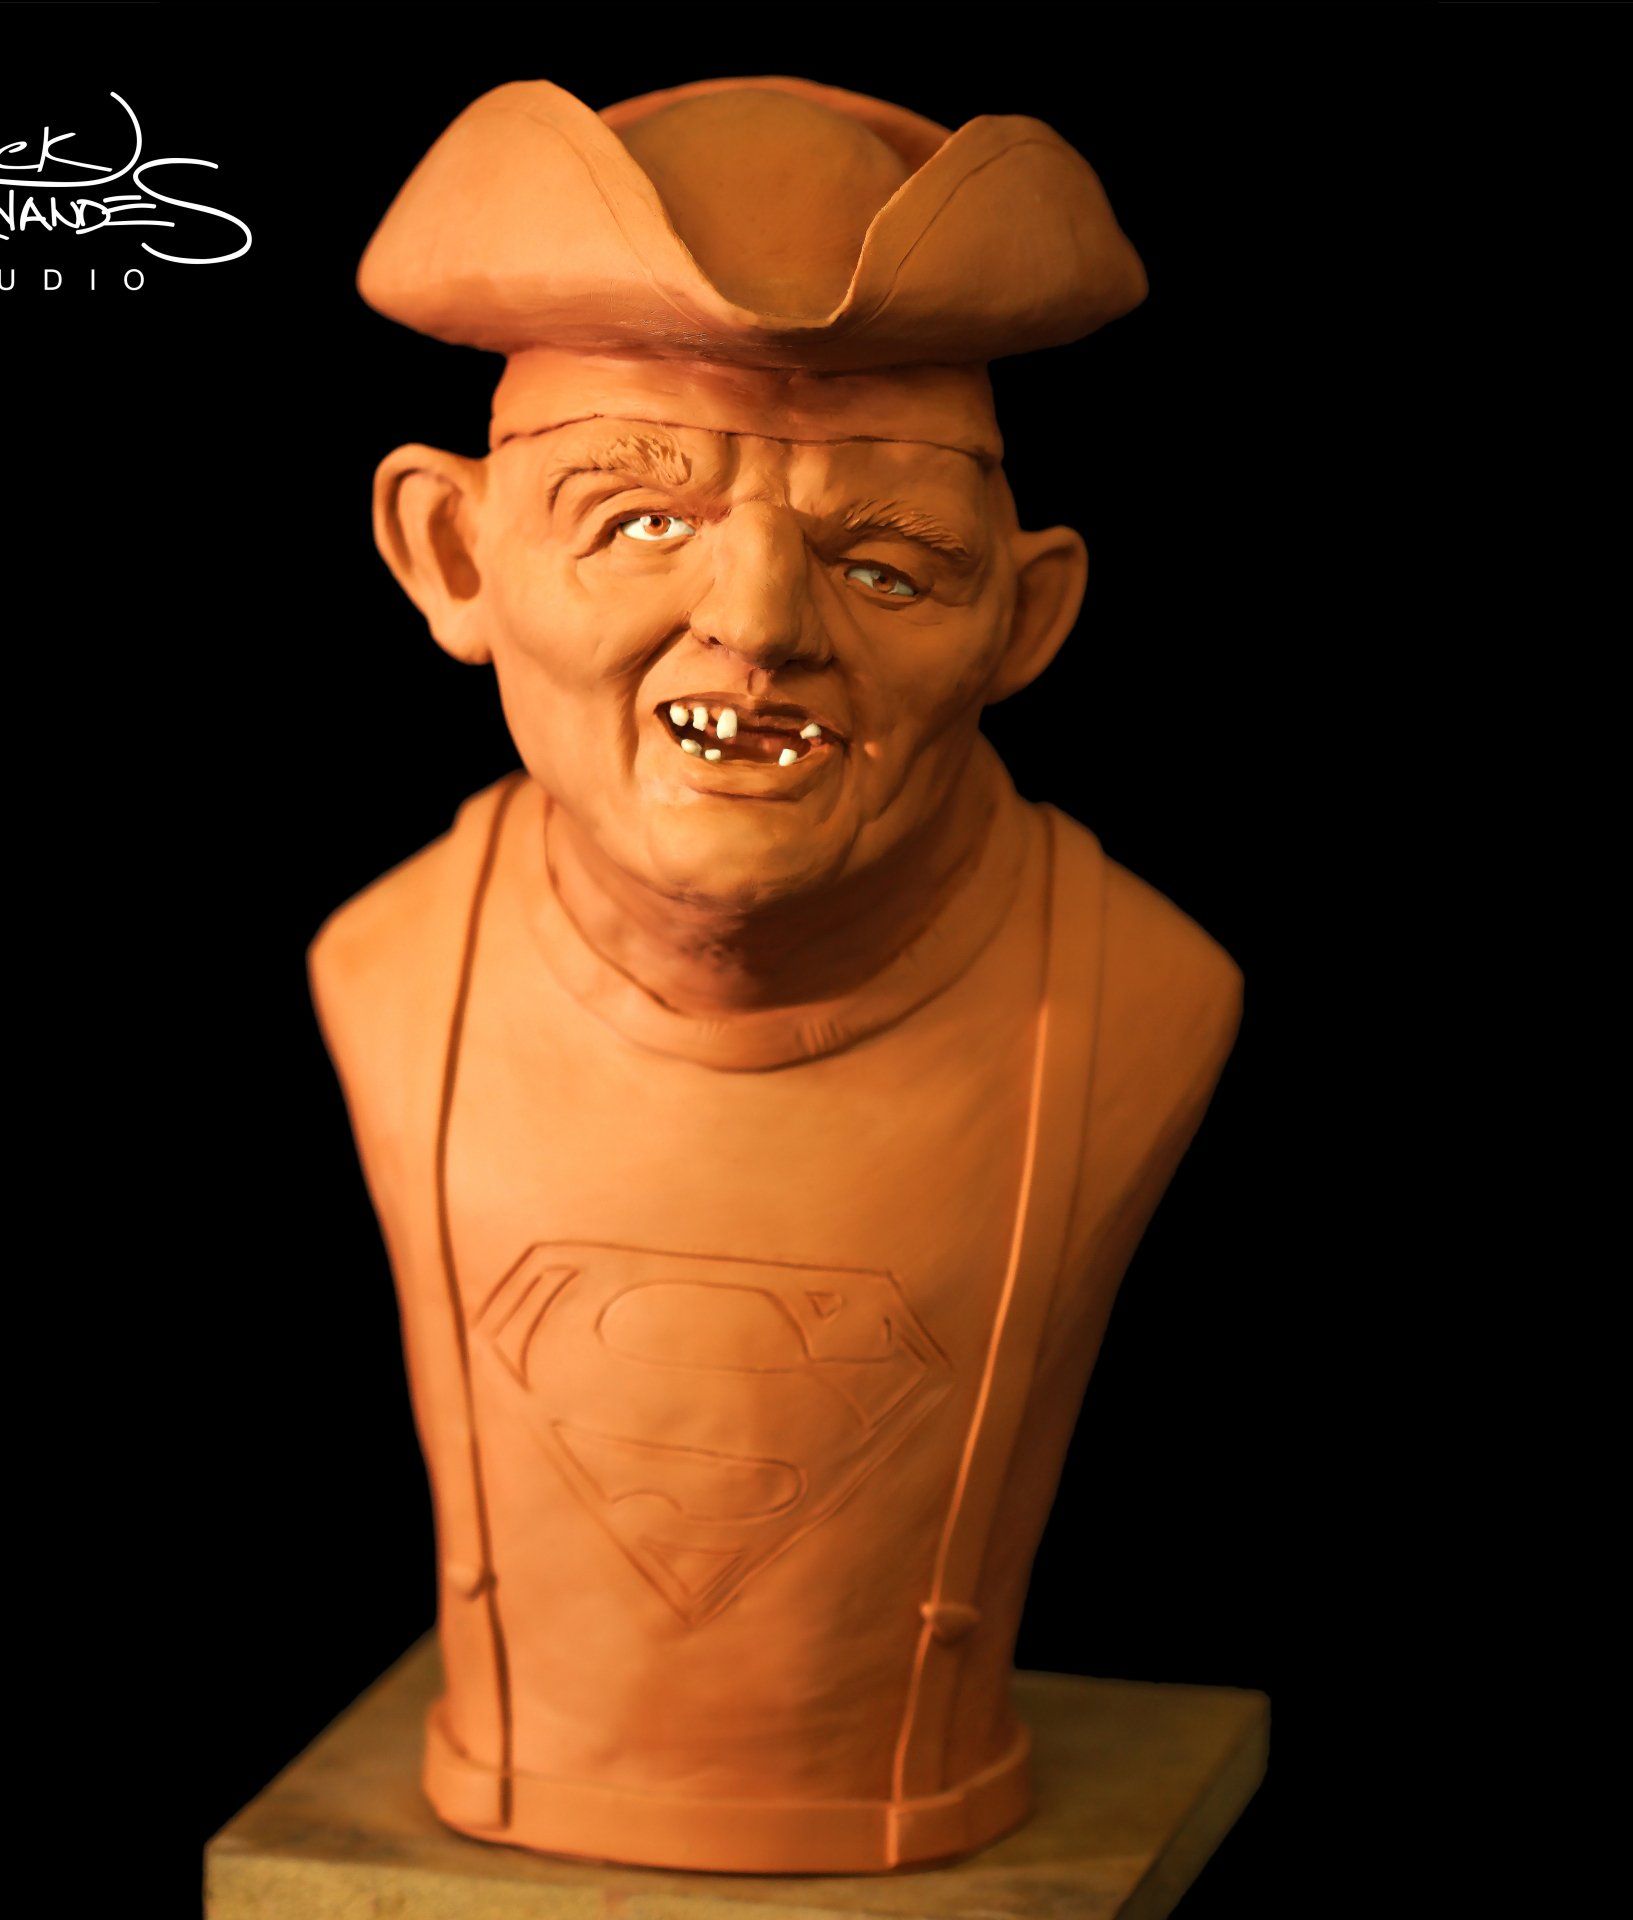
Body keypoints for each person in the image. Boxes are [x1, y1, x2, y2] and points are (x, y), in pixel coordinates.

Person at [309, 76, 1242, 1874]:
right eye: (639, 523)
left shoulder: (1147, 997)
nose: (757, 622)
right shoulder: (385, 963)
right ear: (452, 554)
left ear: (1025, 619)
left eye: (882, 559)